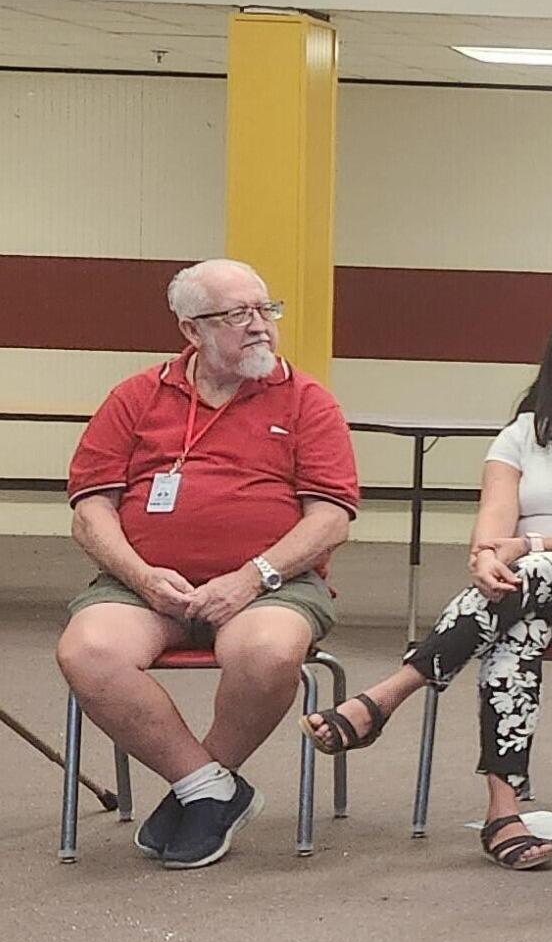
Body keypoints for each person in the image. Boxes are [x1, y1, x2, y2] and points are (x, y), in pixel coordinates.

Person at [297, 308, 552, 870]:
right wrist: (485, 558)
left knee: (534, 573)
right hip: (531, 592)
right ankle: (502, 814)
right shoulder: (522, 435)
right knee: (515, 628)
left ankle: (386, 696)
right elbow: (494, 520)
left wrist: (527, 547)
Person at [57, 259, 359, 870]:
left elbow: (331, 518)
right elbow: (90, 510)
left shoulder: (307, 401)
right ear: (191, 330)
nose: (260, 326)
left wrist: (250, 578)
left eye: (265, 310)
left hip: (272, 584)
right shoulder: (136, 397)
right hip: (144, 586)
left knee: (268, 652)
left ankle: (197, 789)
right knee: (86, 651)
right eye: (237, 315)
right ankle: (210, 789)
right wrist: (142, 576)